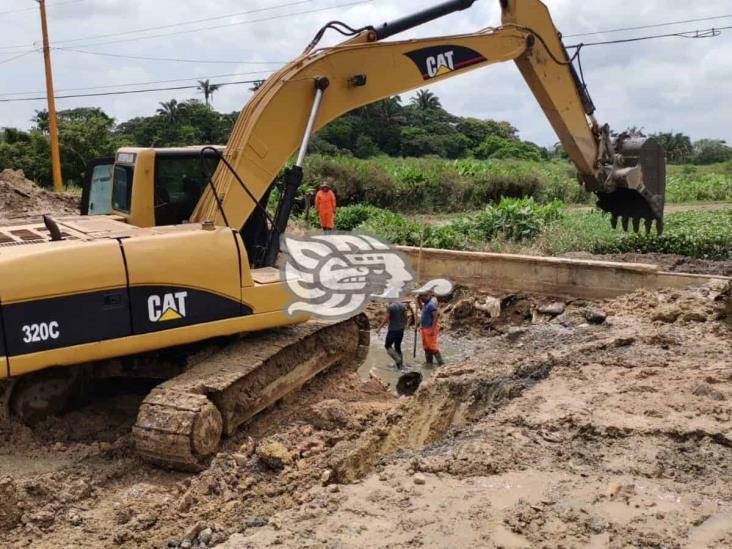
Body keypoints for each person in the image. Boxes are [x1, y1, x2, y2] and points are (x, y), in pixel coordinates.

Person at [377, 300, 408, 370]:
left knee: (387, 345)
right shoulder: (403, 306)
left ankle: (397, 359)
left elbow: (386, 319)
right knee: (397, 346)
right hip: (401, 330)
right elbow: (406, 317)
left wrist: (379, 328)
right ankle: (400, 366)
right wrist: (404, 325)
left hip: (393, 330)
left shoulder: (390, 307)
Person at [419, 291, 444, 366]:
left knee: (432, 347)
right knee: (426, 347)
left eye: (422, 297)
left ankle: (441, 364)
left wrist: (432, 329)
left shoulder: (431, 305)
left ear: (427, 296)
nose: (421, 299)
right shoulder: (425, 304)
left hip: (430, 328)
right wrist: (418, 301)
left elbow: (435, 317)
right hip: (424, 328)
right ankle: (429, 363)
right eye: (420, 298)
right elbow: (422, 310)